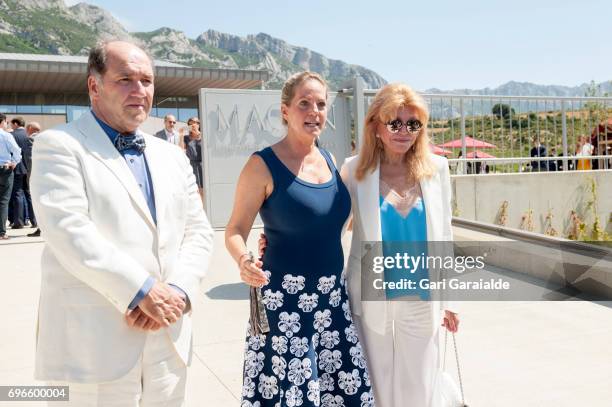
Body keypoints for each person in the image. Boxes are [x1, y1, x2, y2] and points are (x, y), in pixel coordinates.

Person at [30, 40, 214, 406]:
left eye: (146, 80)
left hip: (168, 339)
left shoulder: (171, 156)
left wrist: (175, 291)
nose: (140, 90)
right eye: (125, 79)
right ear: (94, 86)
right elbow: (68, 231)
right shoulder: (59, 145)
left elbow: (199, 232)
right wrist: (142, 290)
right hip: (94, 348)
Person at [225, 71, 373, 406]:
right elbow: (235, 229)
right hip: (284, 308)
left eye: (320, 104)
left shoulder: (330, 161)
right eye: (304, 103)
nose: (314, 111)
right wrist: (244, 260)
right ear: (285, 111)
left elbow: (328, 223)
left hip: (333, 302)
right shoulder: (261, 165)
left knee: (344, 395)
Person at [341, 83, 459, 407]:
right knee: (375, 385)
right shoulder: (354, 171)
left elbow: (444, 235)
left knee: (420, 386)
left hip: (423, 298)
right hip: (371, 297)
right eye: (394, 123)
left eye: (413, 124)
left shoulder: (437, 170)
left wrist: (450, 300)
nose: (403, 131)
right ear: (376, 126)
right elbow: (328, 226)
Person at [8, 117, 34, 230]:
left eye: (11, 124)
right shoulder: (28, 134)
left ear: (15, 123)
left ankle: (19, 222)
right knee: (29, 195)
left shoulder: (12, 135)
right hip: (28, 169)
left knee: (17, 194)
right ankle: (34, 221)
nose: (11, 126)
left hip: (17, 168)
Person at [0, 113, 21, 240]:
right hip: (4, 170)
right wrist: (14, 162)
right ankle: (1, 233)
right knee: (3, 201)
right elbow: (17, 151)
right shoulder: (6, 135)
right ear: (2, 122)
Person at [25, 122, 42, 236]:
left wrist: (30, 177)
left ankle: (41, 228)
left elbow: (29, 160)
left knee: (37, 202)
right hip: (46, 175)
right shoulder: (45, 138)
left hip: (36, 176)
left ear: (30, 129)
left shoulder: (30, 140)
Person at [184, 117, 204, 204]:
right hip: (191, 165)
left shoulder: (203, 135)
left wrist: (199, 135)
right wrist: (181, 135)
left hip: (202, 165)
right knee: (193, 191)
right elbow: (181, 149)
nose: (194, 124)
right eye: (191, 123)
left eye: (196, 122)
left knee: (202, 190)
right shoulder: (185, 137)